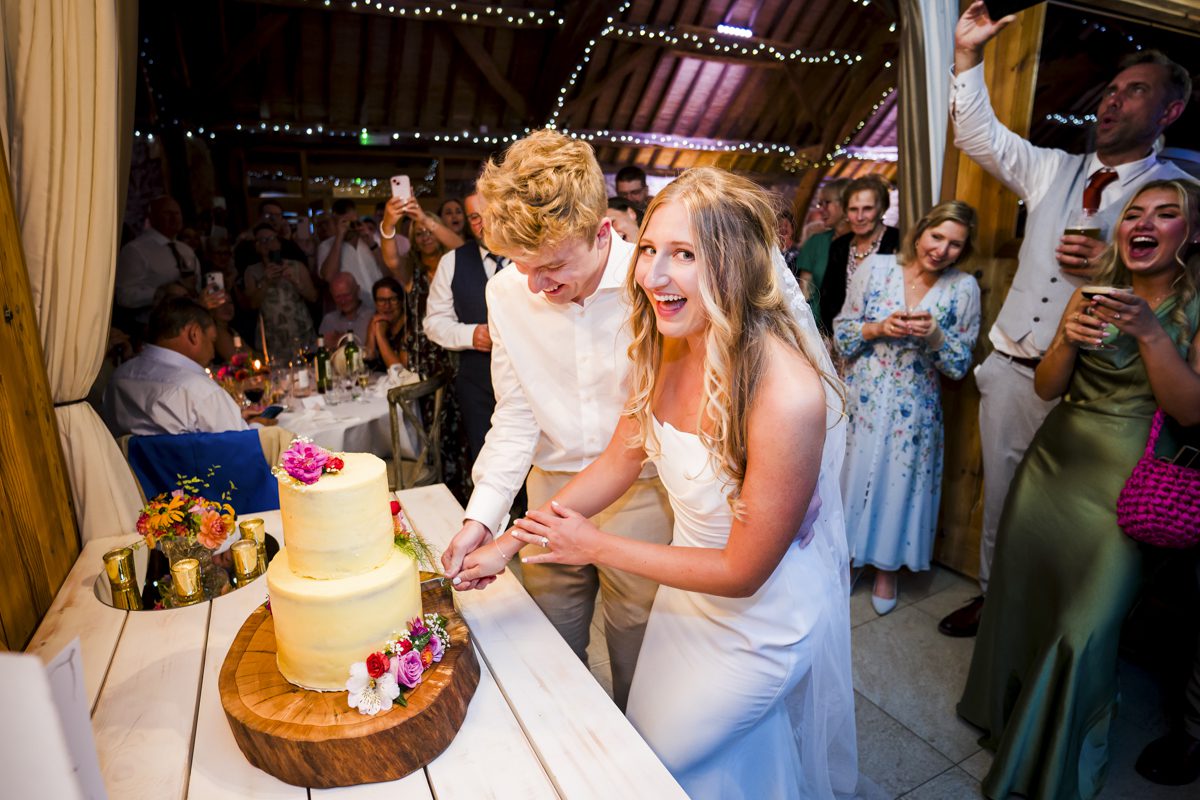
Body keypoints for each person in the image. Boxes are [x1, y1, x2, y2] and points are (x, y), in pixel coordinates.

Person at [453, 167, 858, 799]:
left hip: (758, 622)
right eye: (650, 249)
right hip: (684, 604)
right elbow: (619, 460)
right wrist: (508, 540)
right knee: (715, 761)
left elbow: (743, 571)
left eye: (685, 255)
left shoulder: (786, 393)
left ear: (737, 265)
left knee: (652, 765)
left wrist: (596, 546)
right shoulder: (671, 339)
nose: (652, 275)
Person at [937, 1, 1193, 639]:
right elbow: (979, 136)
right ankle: (995, 605)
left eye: (1135, 91)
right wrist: (967, 57)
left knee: (1076, 521)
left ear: (1170, 112)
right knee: (1002, 501)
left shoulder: (1177, 194)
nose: (1113, 100)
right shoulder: (1056, 168)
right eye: (1110, 90)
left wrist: (1114, 258)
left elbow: (1183, 284)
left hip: (1099, 396)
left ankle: (1057, 631)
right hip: (1016, 368)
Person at [957, 179, 1200, 800]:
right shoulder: (1093, 292)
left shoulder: (1194, 308)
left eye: (1166, 214)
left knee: (1085, 623)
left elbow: (1189, 410)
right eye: (1135, 214)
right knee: (1023, 594)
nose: (1143, 223)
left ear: (1192, 234)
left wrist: (1149, 333)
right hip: (1055, 464)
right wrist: (1065, 335)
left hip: (1127, 477)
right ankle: (1002, 714)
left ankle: (1050, 759)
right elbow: (1046, 389)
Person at [439, 130, 675, 712]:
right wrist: (484, 515)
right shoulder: (506, 292)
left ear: (602, 233)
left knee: (640, 658)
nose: (538, 287)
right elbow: (516, 412)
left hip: (644, 495)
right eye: (523, 267)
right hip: (547, 492)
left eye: (552, 266)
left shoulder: (654, 284)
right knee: (548, 654)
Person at [834, 202, 981, 614]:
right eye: (937, 237)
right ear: (920, 233)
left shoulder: (963, 288)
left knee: (900, 485)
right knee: (852, 478)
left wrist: (935, 335)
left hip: (914, 409)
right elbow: (843, 330)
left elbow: (958, 365)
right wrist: (879, 327)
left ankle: (887, 568)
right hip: (863, 398)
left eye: (955, 244)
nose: (942, 249)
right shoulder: (875, 269)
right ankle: (845, 560)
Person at [103, 297, 276, 436]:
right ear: (194, 334)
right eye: (212, 341)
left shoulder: (119, 378)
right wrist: (256, 425)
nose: (213, 354)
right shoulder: (200, 391)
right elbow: (241, 450)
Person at [424, 192, 506, 462]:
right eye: (474, 217)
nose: (483, 223)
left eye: (489, 214)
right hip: (477, 382)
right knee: (486, 459)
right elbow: (434, 321)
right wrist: (471, 335)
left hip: (531, 381)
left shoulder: (530, 255)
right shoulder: (452, 261)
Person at [819, 176, 900, 332]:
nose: (860, 217)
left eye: (867, 208)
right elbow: (828, 299)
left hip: (887, 336)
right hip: (844, 339)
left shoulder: (898, 242)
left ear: (882, 209)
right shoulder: (840, 246)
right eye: (853, 209)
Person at [114, 195, 201, 327]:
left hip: (190, 323)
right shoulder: (135, 250)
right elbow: (123, 296)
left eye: (177, 213)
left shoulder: (186, 250)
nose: (174, 218)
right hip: (152, 327)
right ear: (152, 217)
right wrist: (160, 293)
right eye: (167, 213)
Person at [243, 223, 318, 358]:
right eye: (263, 240)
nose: (269, 244)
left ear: (279, 242)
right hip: (272, 338)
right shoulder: (252, 271)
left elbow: (313, 297)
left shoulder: (296, 266)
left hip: (300, 332)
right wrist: (265, 281)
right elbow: (252, 304)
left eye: (272, 238)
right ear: (257, 246)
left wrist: (296, 282)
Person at [795, 178, 851, 319]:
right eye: (820, 203)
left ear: (845, 203)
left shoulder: (863, 243)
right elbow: (805, 293)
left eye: (827, 203)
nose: (821, 209)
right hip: (820, 327)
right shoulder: (815, 242)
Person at [319, 198, 386, 308]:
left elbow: (388, 273)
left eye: (353, 222)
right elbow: (329, 276)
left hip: (380, 306)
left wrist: (372, 244)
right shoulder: (326, 246)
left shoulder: (373, 240)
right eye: (345, 222)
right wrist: (339, 237)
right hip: (353, 312)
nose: (351, 227)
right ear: (335, 223)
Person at [363, 277, 408, 372]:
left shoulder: (409, 327)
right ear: (375, 303)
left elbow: (401, 373)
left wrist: (381, 336)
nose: (387, 306)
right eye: (381, 300)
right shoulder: (377, 321)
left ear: (401, 302)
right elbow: (368, 362)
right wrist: (372, 330)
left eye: (393, 299)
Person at [319, 272, 373, 345]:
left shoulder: (371, 317)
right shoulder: (329, 320)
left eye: (346, 295)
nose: (343, 301)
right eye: (338, 297)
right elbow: (315, 351)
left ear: (357, 291)